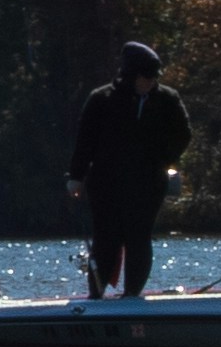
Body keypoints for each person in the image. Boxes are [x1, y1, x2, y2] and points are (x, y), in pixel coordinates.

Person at [68, 40, 194, 297]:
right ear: (130, 75)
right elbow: (84, 141)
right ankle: (97, 295)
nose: (150, 82)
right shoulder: (101, 99)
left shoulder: (167, 99)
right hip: (106, 183)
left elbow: (184, 134)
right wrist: (76, 177)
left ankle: (132, 294)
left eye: (154, 77)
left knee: (139, 237)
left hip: (148, 184)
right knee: (106, 239)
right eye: (145, 76)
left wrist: (163, 159)